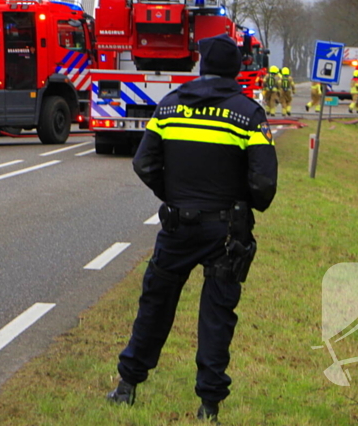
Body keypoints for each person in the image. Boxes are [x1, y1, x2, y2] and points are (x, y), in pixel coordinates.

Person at [107, 34, 278, 423]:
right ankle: (208, 407)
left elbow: (143, 163)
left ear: (202, 67)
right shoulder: (247, 113)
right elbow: (264, 182)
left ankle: (126, 387)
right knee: (217, 315)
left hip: (177, 227)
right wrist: (245, 206)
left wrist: (175, 198)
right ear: (236, 70)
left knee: (155, 305)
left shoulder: (169, 107)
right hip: (226, 232)